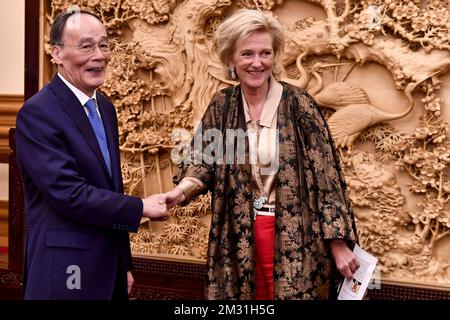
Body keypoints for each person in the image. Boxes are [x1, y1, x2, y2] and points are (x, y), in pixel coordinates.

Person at [163, 9, 359, 300]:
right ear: (231, 58)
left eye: (265, 53)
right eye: (247, 54)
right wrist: (180, 192)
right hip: (236, 236)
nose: (257, 63)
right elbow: (201, 161)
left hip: (296, 238)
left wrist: (338, 243)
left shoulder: (299, 105)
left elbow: (326, 179)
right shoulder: (223, 106)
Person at [15, 9, 169, 300]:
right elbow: (68, 193)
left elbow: (111, 187)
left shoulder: (106, 108)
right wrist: (140, 207)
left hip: (107, 269)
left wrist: (123, 264)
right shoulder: (37, 113)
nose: (99, 55)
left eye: (104, 45)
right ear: (57, 53)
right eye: (86, 46)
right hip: (64, 271)